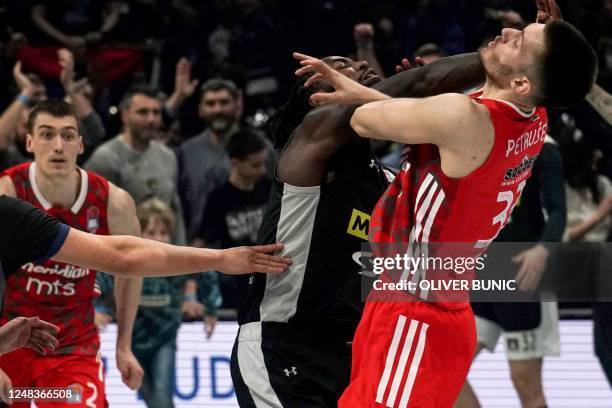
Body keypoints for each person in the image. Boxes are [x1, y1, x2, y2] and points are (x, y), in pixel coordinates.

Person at [294, 0, 597, 406]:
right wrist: (550, 42)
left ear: (523, 82)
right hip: (425, 304)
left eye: (518, 40)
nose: (506, 32)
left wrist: (357, 92)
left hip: (416, 312)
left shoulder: (463, 117)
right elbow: (542, 78)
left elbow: (364, 121)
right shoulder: (534, 114)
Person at [231, 49, 488, 407]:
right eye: (340, 66)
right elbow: (423, 79)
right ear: (313, 95)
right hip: (284, 344)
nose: (362, 65)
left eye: (357, 62)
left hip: (357, 349)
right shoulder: (310, 143)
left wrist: (426, 126)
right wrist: (506, 59)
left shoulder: (388, 182)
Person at [0, 99, 143, 407]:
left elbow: (132, 269)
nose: (58, 146)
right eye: (47, 134)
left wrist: (124, 346)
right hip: (9, 340)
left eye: (67, 135)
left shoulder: (113, 202)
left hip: (72, 346)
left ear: (80, 144)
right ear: (29, 141)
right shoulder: (8, 190)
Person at [457, 135, 566, 408]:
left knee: (526, 383)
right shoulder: (483, 141)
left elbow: (558, 210)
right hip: (484, 276)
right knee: (447, 369)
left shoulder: (544, 147)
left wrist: (543, 250)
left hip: (523, 277)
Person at [85, 85, 187, 245]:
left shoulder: (169, 156)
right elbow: (92, 216)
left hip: (163, 256)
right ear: (125, 115)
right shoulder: (105, 158)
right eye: (143, 112)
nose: (151, 119)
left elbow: (175, 210)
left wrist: (183, 254)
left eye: (156, 112)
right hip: (122, 256)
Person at [196, 129, 271, 310]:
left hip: (269, 280)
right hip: (234, 287)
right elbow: (202, 242)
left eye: (263, 163)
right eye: (255, 165)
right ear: (235, 163)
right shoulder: (218, 199)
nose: (262, 170)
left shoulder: (269, 189)